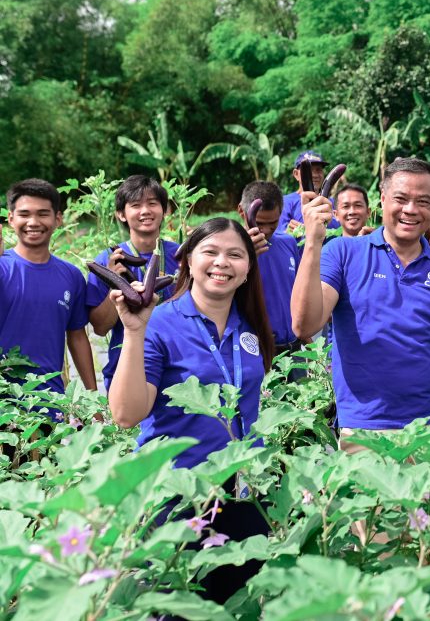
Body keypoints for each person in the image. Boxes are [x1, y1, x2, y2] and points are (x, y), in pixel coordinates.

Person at [106, 217, 274, 603]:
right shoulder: (159, 322)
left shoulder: (250, 325)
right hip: (177, 496)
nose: (222, 262)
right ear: (187, 262)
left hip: (242, 494)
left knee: (238, 605)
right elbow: (126, 414)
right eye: (210, 252)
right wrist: (133, 331)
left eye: (235, 254)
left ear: (248, 269)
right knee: (177, 607)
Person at [290, 157, 430, 441]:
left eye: (423, 201)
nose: (411, 209)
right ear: (382, 200)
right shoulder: (343, 253)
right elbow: (304, 325)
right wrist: (312, 241)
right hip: (363, 429)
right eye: (401, 198)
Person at [1, 179, 96, 401]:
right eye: (24, 214)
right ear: (11, 219)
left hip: (49, 397)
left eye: (43, 214)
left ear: (58, 219)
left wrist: (93, 397)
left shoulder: (71, 276)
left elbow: (77, 336)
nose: (33, 222)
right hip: (3, 394)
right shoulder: (2, 267)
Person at [86, 175, 180, 391]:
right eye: (136, 205)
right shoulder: (106, 260)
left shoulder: (184, 258)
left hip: (176, 372)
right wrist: (114, 281)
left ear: (165, 210)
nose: (145, 211)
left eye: (153, 203)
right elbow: (100, 328)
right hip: (126, 372)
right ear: (121, 214)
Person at [237, 182, 304, 359]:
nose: (265, 231)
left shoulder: (288, 242)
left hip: (293, 346)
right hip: (256, 349)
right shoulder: (230, 249)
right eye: (259, 223)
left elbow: (297, 292)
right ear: (241, 212)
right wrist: (246, 257)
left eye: (273, 223)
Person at [277, 151, 341, 235]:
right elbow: (278, 235)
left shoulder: (332, 203)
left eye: (318, 170)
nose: (314, 175)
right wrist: (288, 231)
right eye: (309, 170)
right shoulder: (285, 202)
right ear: (296, 174)